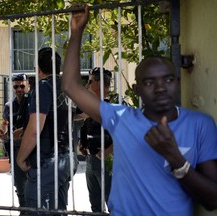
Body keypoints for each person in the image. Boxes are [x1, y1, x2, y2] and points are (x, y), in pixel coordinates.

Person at [62, 6, 217, 215]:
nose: (161, 87)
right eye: (150, 82)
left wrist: (175, 158)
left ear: (177, 83)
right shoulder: (120, 118)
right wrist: (77, 32)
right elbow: (70, 85)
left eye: (168, 79)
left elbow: (212, 200)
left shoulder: (200, 124)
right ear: (137, 89)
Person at [17, 47, 78, 213]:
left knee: (33, 207)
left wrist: (20, 158)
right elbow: (81, 113)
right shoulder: (67, 87)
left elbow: (35, 129)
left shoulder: (44, 86)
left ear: (38, 68)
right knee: (58, 208)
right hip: (67, 158)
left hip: (49, 160)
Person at [78, 67, 112, 213]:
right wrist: (82, 143)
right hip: (91, 159)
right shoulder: (91, 106)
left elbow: (124, 134)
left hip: (108, 161)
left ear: (99, 84)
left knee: (113, 204)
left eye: (90, 82)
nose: (87, 86)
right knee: (96, 206)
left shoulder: (112, 105)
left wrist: (107, 152)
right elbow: (86, 125)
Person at [0, 73, 29, 214]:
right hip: (15, 148)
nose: (19, 89)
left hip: (33, 148)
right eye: (16, 86)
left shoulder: (33, 103)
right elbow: (5, 122)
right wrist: (2, 130)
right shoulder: (9, 106)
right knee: (19, 184)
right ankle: (24, 210)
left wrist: (22, 131)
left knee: (35, 182)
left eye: (22, 86)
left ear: (28, 85)